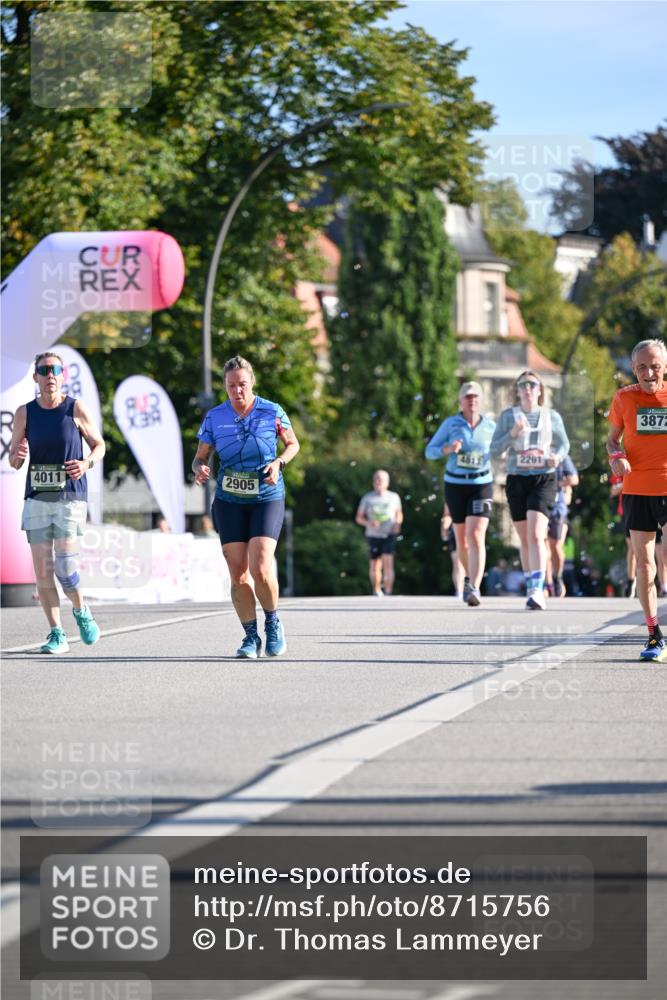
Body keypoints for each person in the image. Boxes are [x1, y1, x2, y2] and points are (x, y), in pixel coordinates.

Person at [192, 355, 299, 658]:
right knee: (238, 573)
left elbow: (293, 444)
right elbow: (201, 455)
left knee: (261, 567)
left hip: (266, 496)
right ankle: (250, 637)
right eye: (230, 386)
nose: (237, 391)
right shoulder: (215, 417)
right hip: (229, 501)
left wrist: (279, 462)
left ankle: (273, 622)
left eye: (242, 384)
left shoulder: (272, 411)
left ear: (252, 382)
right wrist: (199, 468)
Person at [8, 352, 105, 653]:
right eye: (44, 370)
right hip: (37, 497)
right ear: (36, 377)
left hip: (69, 497)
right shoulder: (25, 413)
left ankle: (80, 610)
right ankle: (56, 633)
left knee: (64, 567)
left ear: (63, 375)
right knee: (42, 571)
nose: (50, 375)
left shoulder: (74, 408)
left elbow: (99, 445)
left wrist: (86, 462)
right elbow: (13, 459)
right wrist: (18, 456)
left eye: (55, 370)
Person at [607, 338, 667, 661]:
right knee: (644, 567)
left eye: (655, 366)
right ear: (633, 369)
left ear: (665, 368)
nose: (649, 372)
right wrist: (616, 456)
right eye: (642, 367)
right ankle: (654, 634)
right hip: (637, 490)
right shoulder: (624, 399)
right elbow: (612, 440)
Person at [490, 370, 570, 610]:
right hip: (516, 479)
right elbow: (494, 449)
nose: (527, 388)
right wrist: (512, 435)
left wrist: (557, 456)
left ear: (539, 390)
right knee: (525, 539)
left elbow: (564, 443)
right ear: (517, 390)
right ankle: (530, 586)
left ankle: (538, 589)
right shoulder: (507, 417)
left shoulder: (551, 416)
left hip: (543, 479)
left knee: (536, 534)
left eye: (532, 384)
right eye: (522, 384)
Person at [425, 381, 496, 606]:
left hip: (481, 484)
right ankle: (468, 579)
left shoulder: (491, 427)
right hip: (455, 485)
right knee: (462, 539)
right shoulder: (450, 424)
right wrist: (447, 449)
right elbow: (430, 452)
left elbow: (504, 448)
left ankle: (474, 587)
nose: (471, 400)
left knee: (476, 535)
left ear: (481, 401)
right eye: (467, 397)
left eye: (475, 397)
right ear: (460, 401)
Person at [355, 470, 403, 596]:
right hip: (373, 535)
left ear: (387, 482)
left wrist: (397, 524)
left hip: (388, 534)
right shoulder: (367, 498)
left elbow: (399, 514)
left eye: (381, 479)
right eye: (376, 479)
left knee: (388, 562)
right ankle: (376, 590)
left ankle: (388, 591)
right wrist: (369, 523)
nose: (378, 482)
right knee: (375, 564)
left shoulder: (394, 497)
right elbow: (359, 518)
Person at [546, 455, 579, 597]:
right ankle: (546, 584)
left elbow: (574, 479)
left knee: (556, 546)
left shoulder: (562, 456)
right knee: (543, 548)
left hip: (558, 510)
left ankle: (557, 577)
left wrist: (556, 483)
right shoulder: (534, 452)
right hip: (540, 507)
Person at [610, 471, 637, 597]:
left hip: (650, 505)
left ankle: (656, 582)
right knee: (632, 548)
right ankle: (631, 580)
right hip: (628, 510)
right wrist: (625, 483)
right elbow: (613, 491)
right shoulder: (622, 465)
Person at [440, 503, 464, 599]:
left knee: (468, 562)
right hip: (455, 531)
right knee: (457, 563)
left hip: (470, 531)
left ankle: (470, 587)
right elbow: (447, 514)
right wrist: (444, 527)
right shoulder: (451, 490)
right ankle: (459, 591)